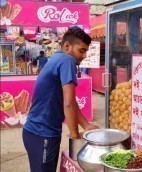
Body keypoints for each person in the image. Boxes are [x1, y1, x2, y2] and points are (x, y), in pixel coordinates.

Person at [22, 26, 99, 172]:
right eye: (81, 50)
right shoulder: (67, 60)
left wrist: (86, 125)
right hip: (42, 134)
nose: (84, 56)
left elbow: (70, 101)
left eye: (86, 52)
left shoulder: (57, 58)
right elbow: (68, 104)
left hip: (36, 133)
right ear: (67, 46)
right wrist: (76, 137)